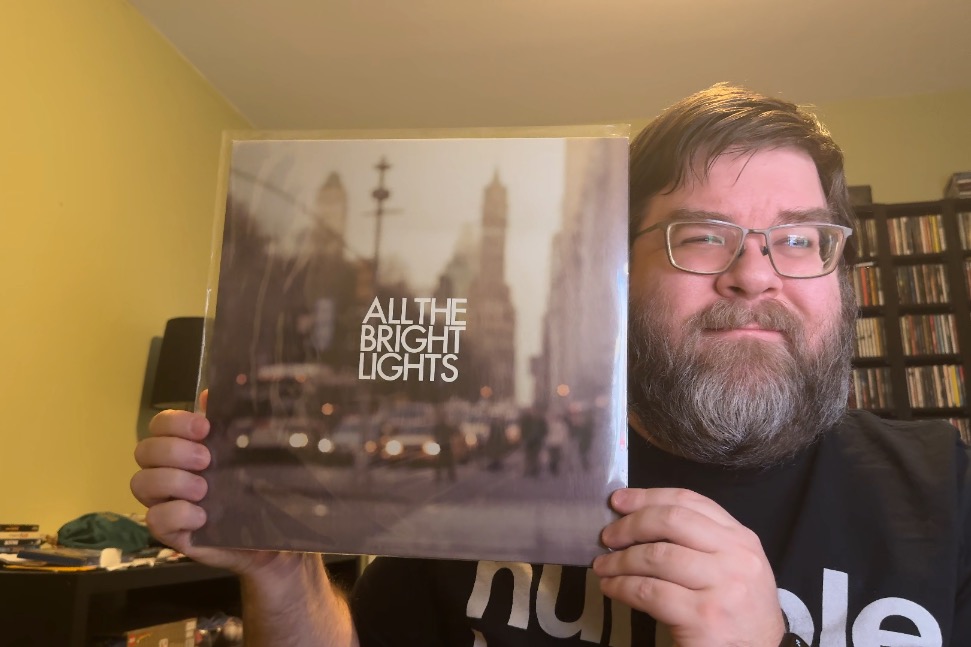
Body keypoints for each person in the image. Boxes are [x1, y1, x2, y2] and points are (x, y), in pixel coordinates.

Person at [131, 84, 971, 646]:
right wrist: (285, 579)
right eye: (702, 234)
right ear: (616, 269)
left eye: (798, 238)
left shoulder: (950, 494)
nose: (752, 273)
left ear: (839, 270)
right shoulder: (475, 479)